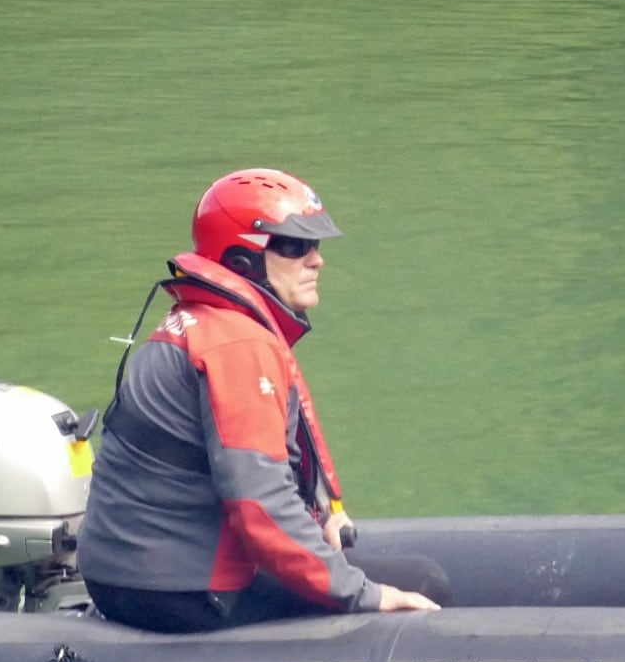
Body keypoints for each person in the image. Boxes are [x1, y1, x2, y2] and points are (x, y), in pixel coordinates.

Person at [78, 169, 443, 633]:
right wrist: (364, 595)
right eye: (293, 245)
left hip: (125, 578)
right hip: (183, 593)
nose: (316, 261)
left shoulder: (192, 321)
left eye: (315, 246)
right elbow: (258, 503)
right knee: (426, 585)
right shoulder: (238, 344)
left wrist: (318, 520)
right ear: (241, 259)